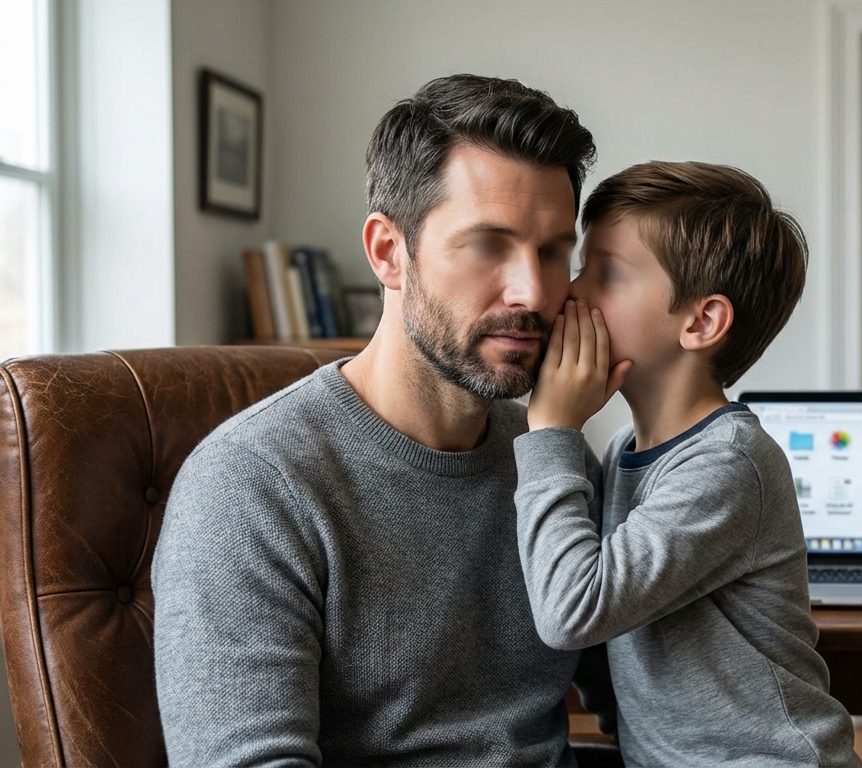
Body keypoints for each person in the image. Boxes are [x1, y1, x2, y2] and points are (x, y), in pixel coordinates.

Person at [152, 74, 615, 766]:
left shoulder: (555, 459)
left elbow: (656, 703)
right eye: (488, 245)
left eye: (552, 251)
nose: (532, 291)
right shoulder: (249, 485)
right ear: (388, 252)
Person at [514, 161, 862, 766]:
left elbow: (571, 612)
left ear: (701, 322)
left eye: (606, 273)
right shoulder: (625, 452)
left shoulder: (729, 463)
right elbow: (606, 637)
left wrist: (551, 431)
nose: (570, 292)